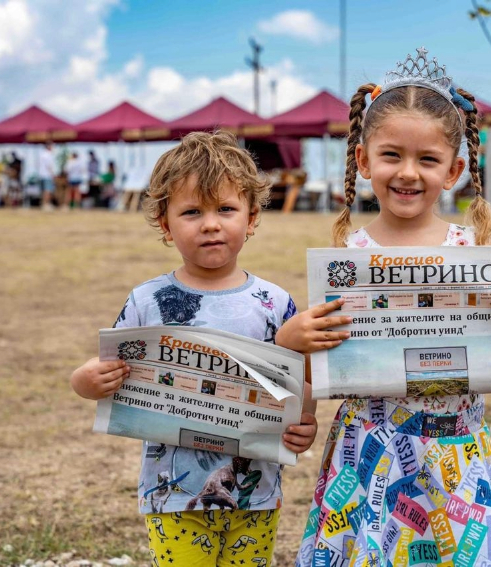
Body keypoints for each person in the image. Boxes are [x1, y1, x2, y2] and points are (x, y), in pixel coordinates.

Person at [277, 48, 491, 567]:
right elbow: (325, 365)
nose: (408, 173)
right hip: (368, 455)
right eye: (392, 155)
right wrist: (297, 342)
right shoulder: (348, 260)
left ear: (454, 170)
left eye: (428, 159)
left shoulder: (473, 253)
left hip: (453, 454)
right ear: (362, 160)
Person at [70, 131, 319, 567]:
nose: (210, 223)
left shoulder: (275, 303)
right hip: (172, 493)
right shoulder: (147, 301)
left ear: (253, 217)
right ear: (165, 225)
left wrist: (307, 422)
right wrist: (87, 380)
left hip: (256, 491)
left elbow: (299, 379)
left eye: (226, 209)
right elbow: (104, 369)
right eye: (192, 212)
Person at [38, 142, 56, 211]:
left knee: (43, 191)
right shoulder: (49, 155)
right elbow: (49, 166)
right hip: (47, 175)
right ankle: (46, 204)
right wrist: (52, 174)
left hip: (41, 174)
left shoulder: (41, 154)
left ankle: (43, 204)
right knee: (48, 190)